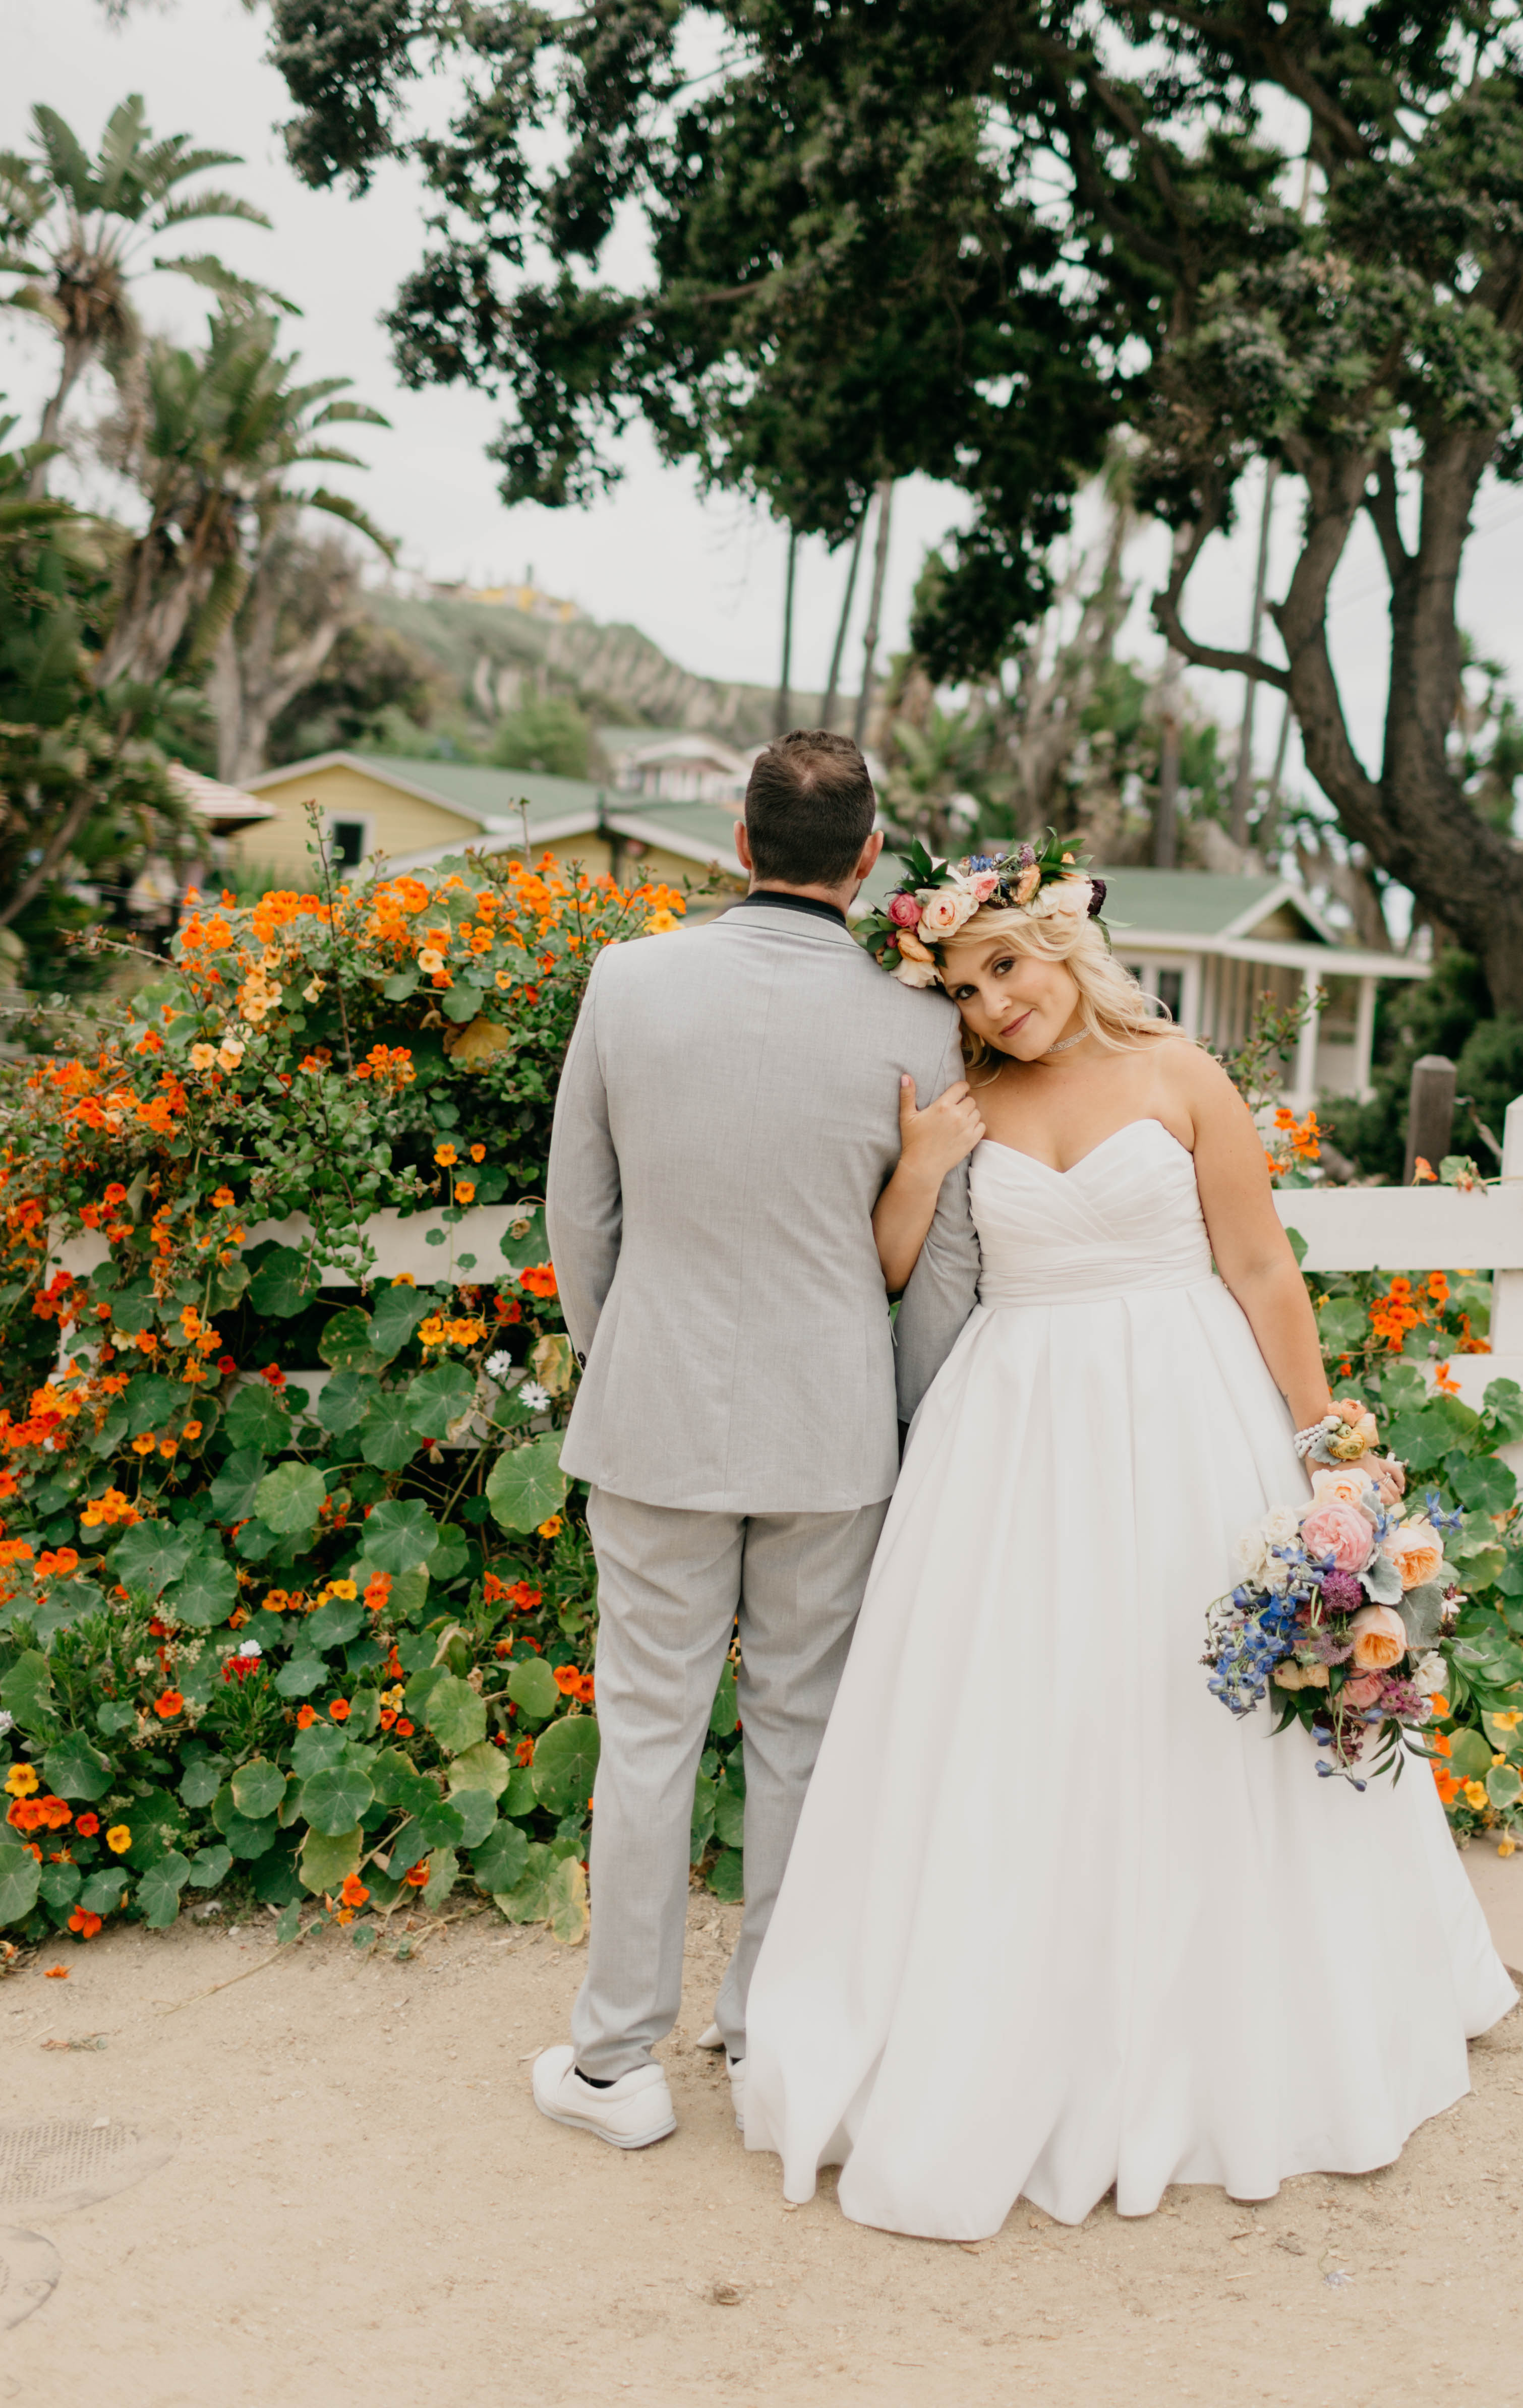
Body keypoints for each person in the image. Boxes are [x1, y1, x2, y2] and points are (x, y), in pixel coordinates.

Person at [740, 843, 1515, 2238]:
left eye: (1007, 970)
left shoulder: (1179, 1076)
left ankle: (1240, 2032)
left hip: (1187, 1412)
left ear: (1064, 947)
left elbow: (1261, 1266)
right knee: (1026, 1720)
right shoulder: (966, 1101)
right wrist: (921, 1165)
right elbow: (889, 1270)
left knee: (1188, 1704)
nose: (992, 1004)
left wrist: (1326, 1448)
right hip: (1014, 1430)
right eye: (966, 985)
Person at [531, 732, 980, 2151]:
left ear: (738, 838)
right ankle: (763, 2038)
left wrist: (628, 1350)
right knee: (801, 1739)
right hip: (835, 1426)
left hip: (654, 1407)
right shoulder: (921, 1027)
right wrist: (908, 1412)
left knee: (647, 1734)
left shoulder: (628, 981)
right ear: (868, 857)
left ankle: (615, 2064)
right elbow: (943, 1264)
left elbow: (575, 1217)